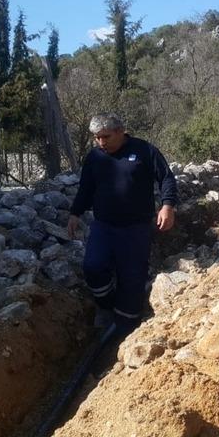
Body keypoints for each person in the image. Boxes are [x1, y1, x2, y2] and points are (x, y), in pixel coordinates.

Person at [67, 113, 178, 333]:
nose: (101, 142)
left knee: (132, 278)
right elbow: (86, 189)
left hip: (136, 228)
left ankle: (126, 330)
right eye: (97, 138)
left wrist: (167, 205)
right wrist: (75, 213)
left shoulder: (144, 151)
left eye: (106, 136)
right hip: (104, 226)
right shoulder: (94, 157)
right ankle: (107, 307)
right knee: (93, 266)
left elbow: (166, 177)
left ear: (120, 131)